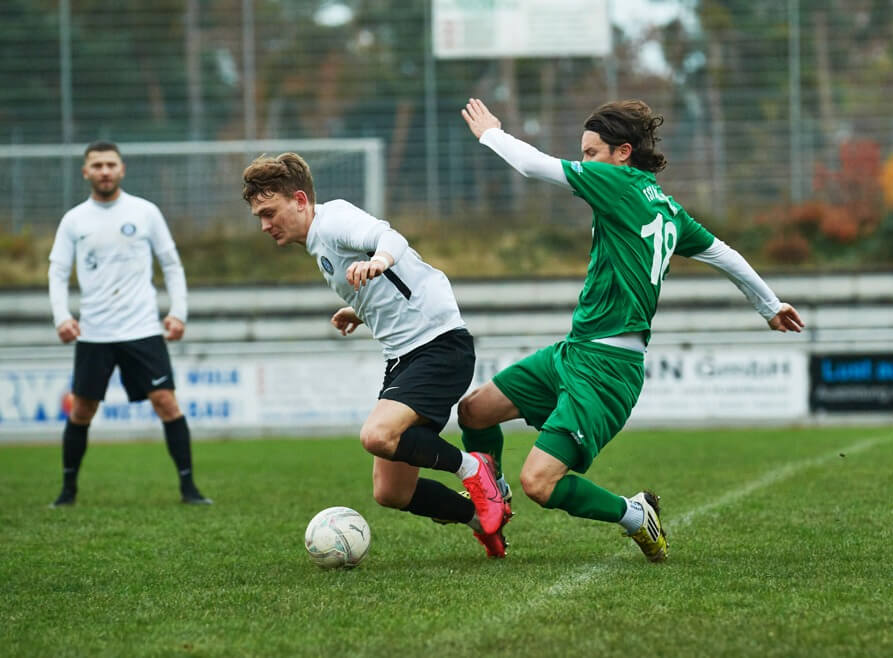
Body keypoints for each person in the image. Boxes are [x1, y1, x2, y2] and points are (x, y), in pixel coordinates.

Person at [457, 98, 805, 562]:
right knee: (474, 412)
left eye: (591, 153)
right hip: (575, 351)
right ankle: (493, 496)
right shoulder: (665, 206)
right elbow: (723, 253)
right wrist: (768, 305)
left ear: (622, 153)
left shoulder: (616, 183)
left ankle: (636, 515)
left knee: (539, 482)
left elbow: (531, 166)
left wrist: (490, 134)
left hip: (608, 368)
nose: (585, 163)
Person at [241, 152, 511, 557]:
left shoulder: (332, 220)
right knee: (391, 491)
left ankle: (475, 469)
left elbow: (390, 239)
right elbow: (390, 284)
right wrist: (359, 310)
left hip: (437, 345)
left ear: (299, 199)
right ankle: (480, 521)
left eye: (269, 211)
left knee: (378, 435)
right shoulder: (319, 243)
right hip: (406, 355)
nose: (264, 225)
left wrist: (381, 259)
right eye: (259, 216)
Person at [48, 141, 211, 507]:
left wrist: (178, 311)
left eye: (110, 164)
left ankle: (189, 489)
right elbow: (57, 271)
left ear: (122, 169)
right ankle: (67, 491)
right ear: (86, 172)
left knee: (166, 402)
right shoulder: (74, 220)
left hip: (142, 329)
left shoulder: (145, 212)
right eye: (97, 165)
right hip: (95, 332)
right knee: (81, 410)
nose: (104, 171)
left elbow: (171, 264)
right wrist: (62, 316)